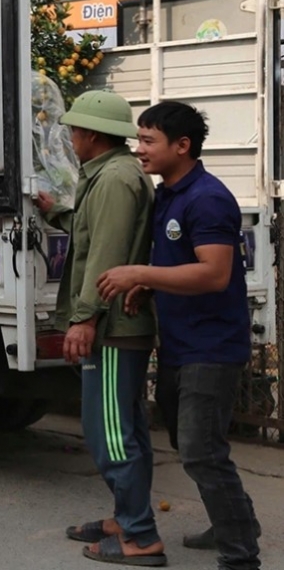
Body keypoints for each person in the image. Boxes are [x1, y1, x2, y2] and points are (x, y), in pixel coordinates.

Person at [97, 101, 261, 570]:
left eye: (149, 141)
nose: (139, 149)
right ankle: (238, 523)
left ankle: (240, 555)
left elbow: (213, 273)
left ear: (181, 146)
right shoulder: (168, 193)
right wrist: (148, 285)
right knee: (192, 445)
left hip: (211, 347)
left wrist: (138, 272)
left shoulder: (207, 198)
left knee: (201, 451)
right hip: (179, 343)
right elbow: (179, 260)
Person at [33, 90, 165, 567]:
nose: (69, 137)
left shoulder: (113, 180)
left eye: (72, 130)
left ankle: (139, 536)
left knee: (109, 433)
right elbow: (94, 232)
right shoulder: (112, 175)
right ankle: (126, 517)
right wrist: (56, 211)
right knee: (124, 427)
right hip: (117, 323)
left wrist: (84, 318)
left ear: (89, 134)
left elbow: (106, 255)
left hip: (113, 326)